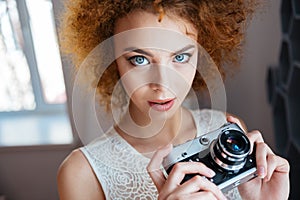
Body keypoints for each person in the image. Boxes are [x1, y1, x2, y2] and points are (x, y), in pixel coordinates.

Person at [57, 0, 290, 199]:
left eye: (180, 57)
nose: (163, 85)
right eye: (139, 59)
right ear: (110, 57)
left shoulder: (226, 135)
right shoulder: (82, 174)